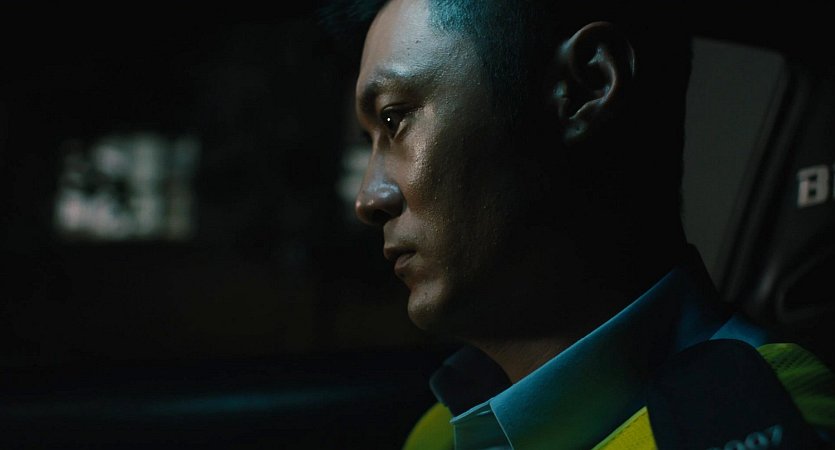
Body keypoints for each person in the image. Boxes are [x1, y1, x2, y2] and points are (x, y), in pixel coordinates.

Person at [326, 0, 835, 448]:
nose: (368, 199)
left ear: (583, 87)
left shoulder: (759, 420)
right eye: (371, 139)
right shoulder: (443, 427)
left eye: (394, 119)